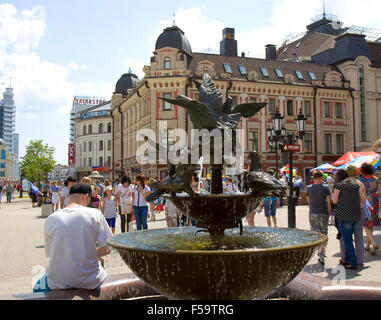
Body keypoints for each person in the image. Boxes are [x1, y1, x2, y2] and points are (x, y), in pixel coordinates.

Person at [33, 183, 113, 293]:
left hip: (57, 282)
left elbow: (50, 253)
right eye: (90, 200)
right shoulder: (95, 214)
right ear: (85, 196)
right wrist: (91, 254)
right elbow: (108, 247)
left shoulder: (51, 218)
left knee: (38, 285)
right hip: (90, 281)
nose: (90, 204)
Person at [332, 165, 367, 270]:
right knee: (358, 237)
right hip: (356, 215)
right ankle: (349, 260)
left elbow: (334, 201)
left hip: (344, 215)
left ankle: (353, 262)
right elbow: (363, 198)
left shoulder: (339, 185)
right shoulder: (356, 185)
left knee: (347, 240)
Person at [306, 170, 332, 266]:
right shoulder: (325, 188)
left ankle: (318, 251)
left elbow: (308, 201)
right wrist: (329, 212)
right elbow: (329, 202)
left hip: (313, 213)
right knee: (324, 233)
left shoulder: (308, 188)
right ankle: (322, 252)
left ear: (313, 178)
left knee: (315, 233)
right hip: (323, 212)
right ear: (321, 178)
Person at [359, 163, 381, 255]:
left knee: (366, 225)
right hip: (374, 202)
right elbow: (380, 192)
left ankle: (373, 243)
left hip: (365, 203)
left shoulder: (360, 180)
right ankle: (368, 245)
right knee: (370, 224)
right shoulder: (376, 179)